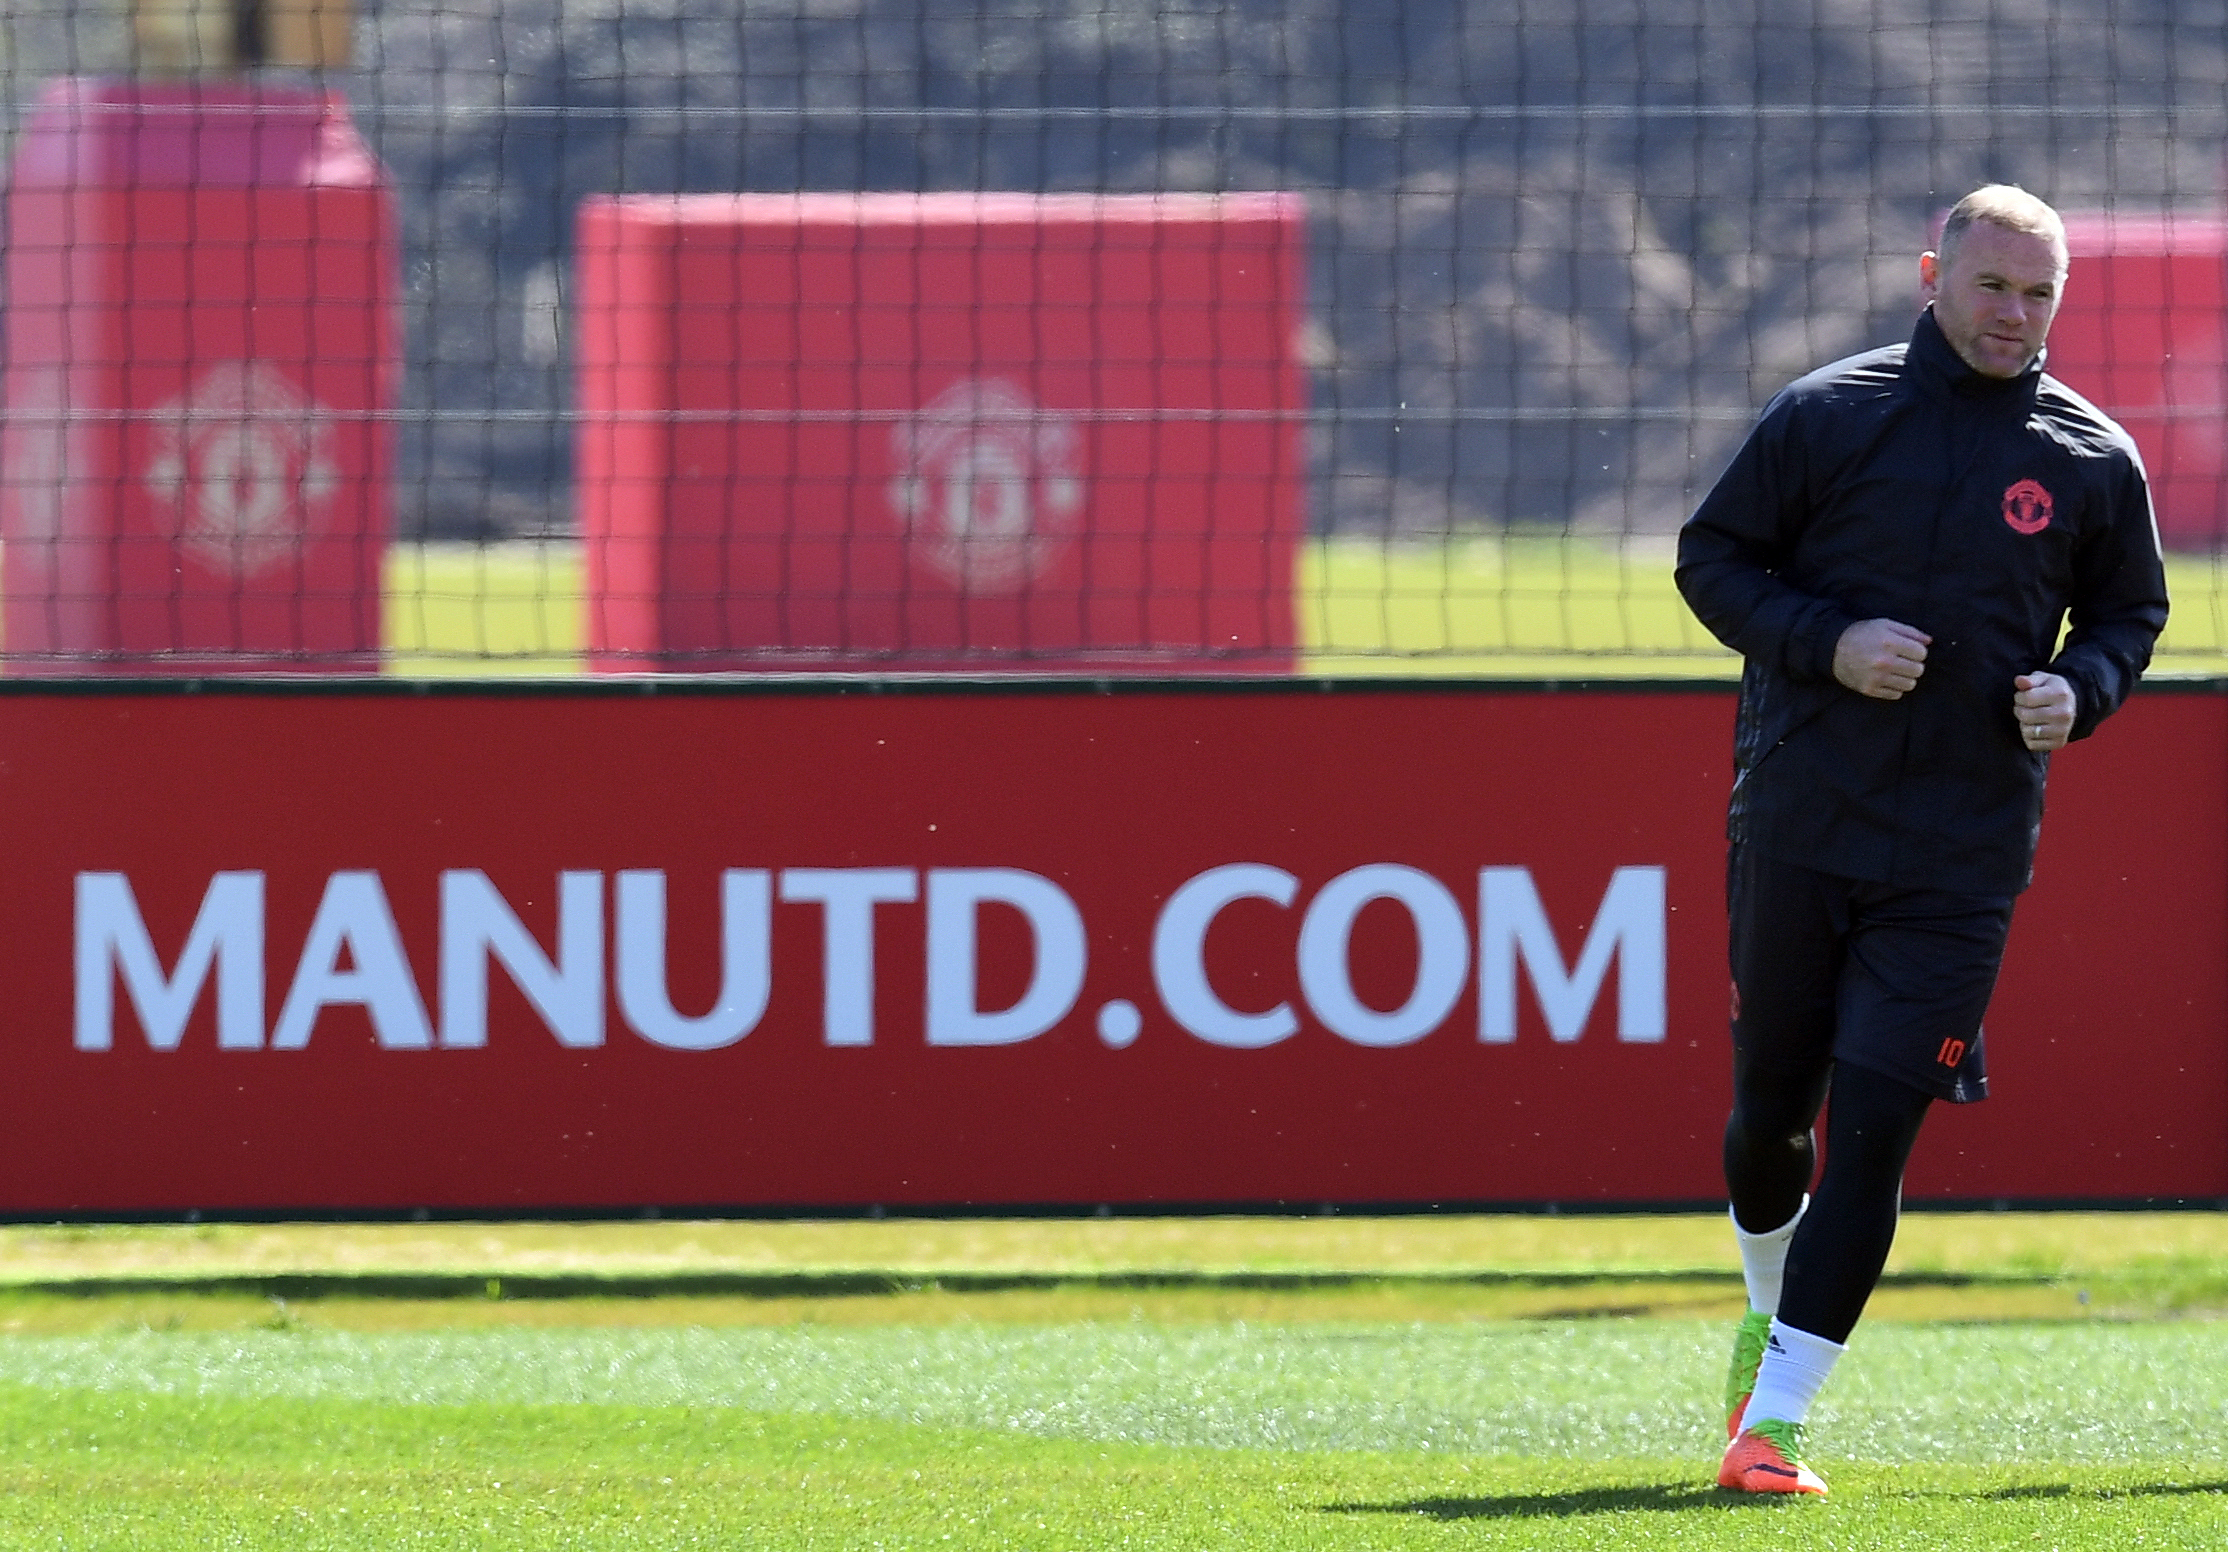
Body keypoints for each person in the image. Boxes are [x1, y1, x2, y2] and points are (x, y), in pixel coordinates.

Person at [1674, 184, 2169, 1498]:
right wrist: (1829, 642)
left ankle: (1774, 1426)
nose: (2016, 314)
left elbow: (2129, 617)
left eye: (2040, 294)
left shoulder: (2091, 456)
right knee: (1773, 1118)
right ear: (1932, 274)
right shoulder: (1826, 415)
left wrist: (2083, 690)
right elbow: (1712, 561)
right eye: (1993, 286)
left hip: (1963, 852)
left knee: (1878, 1127)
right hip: (1801, 820)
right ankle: (1765, 1317)